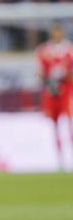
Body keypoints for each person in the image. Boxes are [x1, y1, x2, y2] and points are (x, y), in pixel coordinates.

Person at [35, 23, 73, 169]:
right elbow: (40, 72)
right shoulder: (44, 50)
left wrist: (65, 75)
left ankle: (70, 157)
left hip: (67, 92)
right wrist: (47, 80)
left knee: (69, 122)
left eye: (59, 32)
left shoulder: (69, 50)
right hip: (51, 93)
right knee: (55, 125)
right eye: (54, 32)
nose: (56, 34)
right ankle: (60, 160)